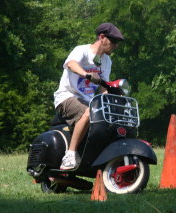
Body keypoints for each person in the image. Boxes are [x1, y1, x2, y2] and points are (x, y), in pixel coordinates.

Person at [54, 23, 124, 170]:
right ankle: (70, 155)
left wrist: (110, 101)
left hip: (88, 101)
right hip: (67, 96)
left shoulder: (106, 61)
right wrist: (86, 74)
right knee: (88, 112)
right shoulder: (82, 51)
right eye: (114, 41)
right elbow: (71, 64)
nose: (116, 46)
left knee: (107, 119)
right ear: (102, 37)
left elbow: (103, 86)